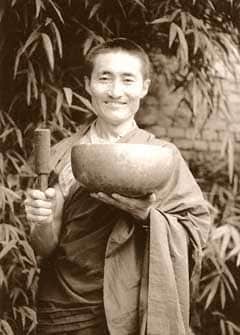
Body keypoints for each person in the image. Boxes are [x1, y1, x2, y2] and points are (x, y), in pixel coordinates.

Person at [24, 38, 210, 335]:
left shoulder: (162, 158)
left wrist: (148, 215)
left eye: (127, 80)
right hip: (65, 310)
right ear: (87, 84)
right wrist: (41, 221)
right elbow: (44, 247)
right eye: (104, 78)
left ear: (144, 87)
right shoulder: (61, 154)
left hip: (132, 310)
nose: (115, 92)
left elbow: (196, 231)